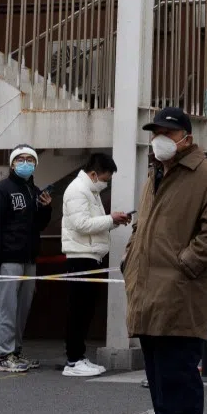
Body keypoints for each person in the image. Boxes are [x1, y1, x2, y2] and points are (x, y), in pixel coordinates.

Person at [123, 107, 207, 414]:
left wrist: (183, 267)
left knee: (179, 390)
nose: (159, 140)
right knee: (160, 391)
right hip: (146, 296)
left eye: (167, 133)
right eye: (155, 133)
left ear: (187, 137)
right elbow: (139, 227)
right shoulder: (155, 176)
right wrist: (129, 260)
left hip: (180, 298)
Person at [61, 153, 129, 377]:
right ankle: (73, 360)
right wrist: (111, 219)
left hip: (91, 255)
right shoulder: (77, 190)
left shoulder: (90, 190)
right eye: (105, 179)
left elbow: (91, 224)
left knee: (86, 310)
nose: (105, 183)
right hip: (80, 256)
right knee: (77, 310)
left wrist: (112, 220)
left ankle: (79, 356)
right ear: (93, 174)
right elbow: (81, 224)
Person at [0, 144, 52, 373]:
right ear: (12, 163)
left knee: (22, 307)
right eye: (20, 159)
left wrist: (45, 208)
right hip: (8, 258)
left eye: (30, 159)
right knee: (5, 306)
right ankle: (3, 355)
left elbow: (39, 225)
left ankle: (16, 350)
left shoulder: (34, 191)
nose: (25, 163)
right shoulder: (1, 189)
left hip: (29, 258)